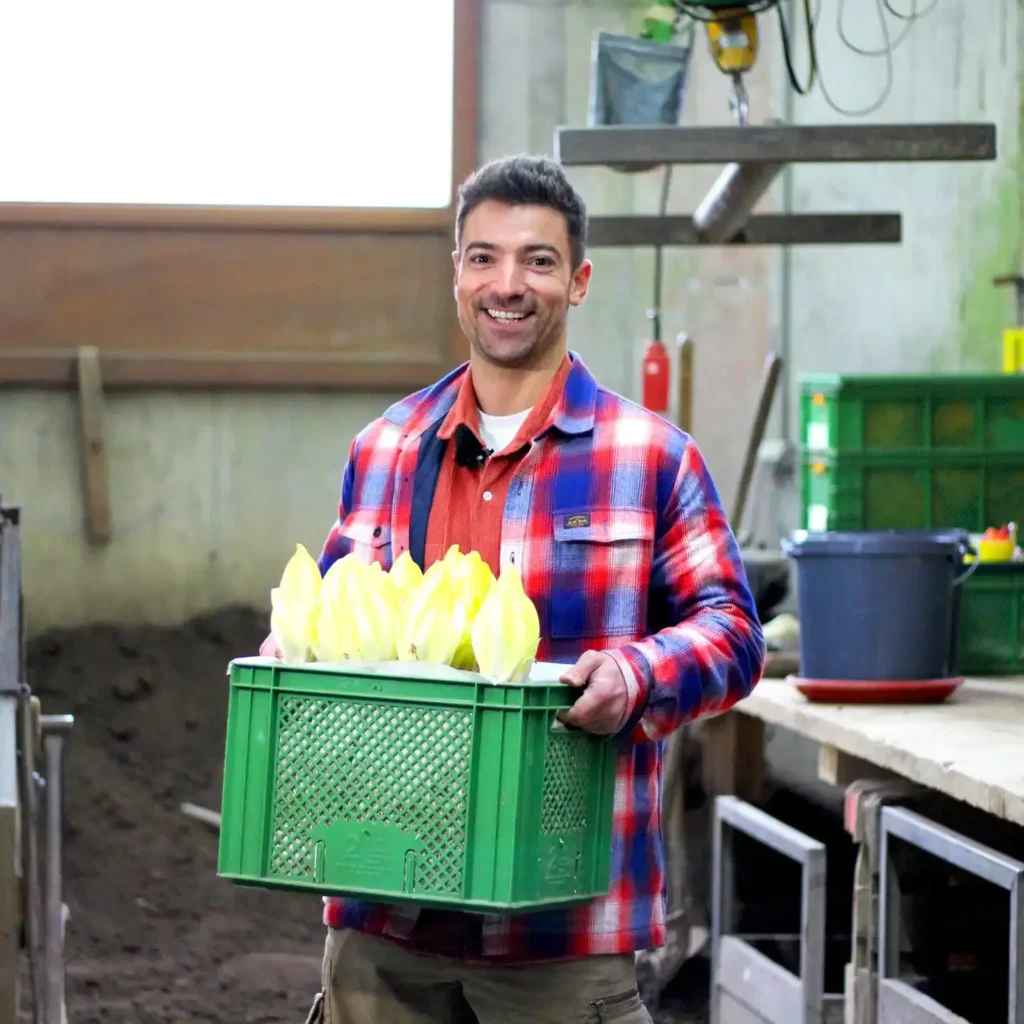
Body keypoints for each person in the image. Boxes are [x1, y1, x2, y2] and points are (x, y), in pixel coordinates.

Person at [261, 154, 766, 1024]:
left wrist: (635, 675)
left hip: (558, 931)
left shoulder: (649, 456)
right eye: (484, 257)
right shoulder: (383, 449)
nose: (508, 284)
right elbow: (343, 618)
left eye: (537, 260)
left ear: (578, 281)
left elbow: (733, 632)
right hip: (385, 916)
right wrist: (297, 652)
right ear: (456, 272)